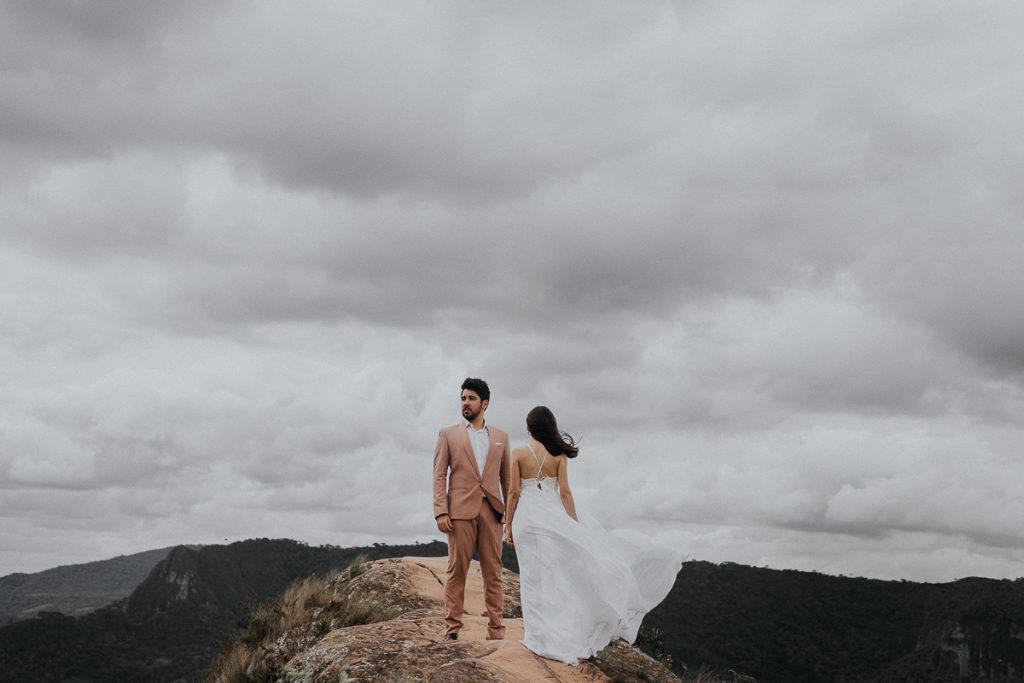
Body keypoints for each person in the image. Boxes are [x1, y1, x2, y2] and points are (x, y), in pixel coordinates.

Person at [504, 406, 684, 665]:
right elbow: (564, 492)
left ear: (528, 427)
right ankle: (557, 635)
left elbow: (513, 493)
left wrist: (507, 526)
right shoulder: (558, 454)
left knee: (533, 578)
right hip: (552, 518)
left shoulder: (518, 453)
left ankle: (536, 638)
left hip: (527, 522)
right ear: (550, 427)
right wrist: (575, 526)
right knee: (558, 576)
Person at [432, 377, 511, 641]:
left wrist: (511, 515)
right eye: (463, 398)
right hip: (459, 513)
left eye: (471, 398)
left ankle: (496, 631)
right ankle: (452, 629)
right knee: (457, 570)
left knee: (494, 572)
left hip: (492, 512)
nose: (465, 403)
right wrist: (441, 510)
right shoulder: (448, 434)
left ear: (484, 404)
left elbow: (507, 480)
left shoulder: (501, 437)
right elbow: (439, 474)